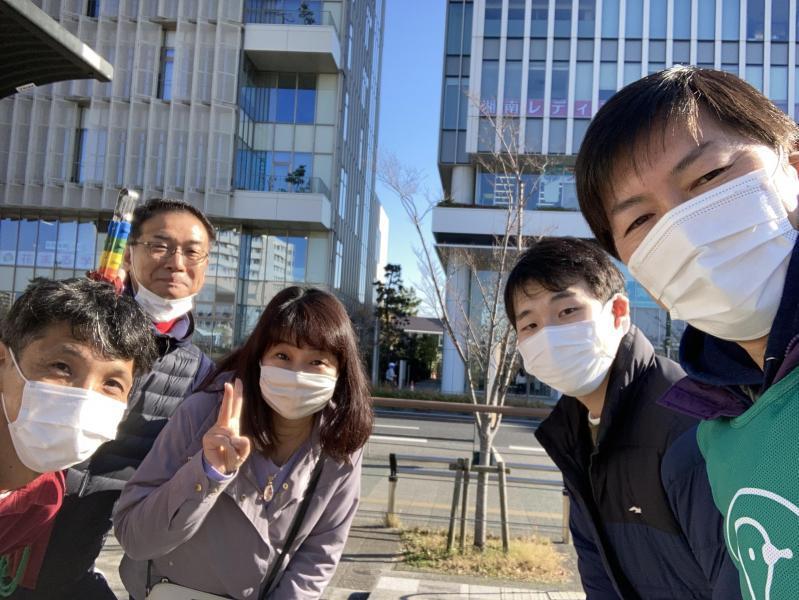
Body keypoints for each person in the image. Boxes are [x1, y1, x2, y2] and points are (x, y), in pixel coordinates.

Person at [575, 65, 799, 598]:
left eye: (708, 177)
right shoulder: (719, 427)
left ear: (792, 165)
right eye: (639, 221)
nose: (684, 224)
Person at [504, 237, 739, 599]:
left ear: (618, 313)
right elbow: (597, 571)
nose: (548, 336)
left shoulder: (685, 419)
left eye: (567, 311)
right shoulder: (574, 432)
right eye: (530, 325)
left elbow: (738, 578)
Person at [114, 286, 374, 600]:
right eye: (282, 355)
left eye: (316, 362)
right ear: (259, 357)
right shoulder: (202, 413)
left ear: (340, 370)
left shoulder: (341, 441)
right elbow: (135, 538)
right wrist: (207, 473)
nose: (296, 374)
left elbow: (319, 554)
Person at [14, 198, 217, 599]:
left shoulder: (199, 373)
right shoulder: (69, 322)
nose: (176, 262)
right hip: (12, 526)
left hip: (74, 557)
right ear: (128, 252)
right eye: (160, 245)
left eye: (192, 251)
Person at [0, 278, 157, 596]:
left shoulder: (45, 496)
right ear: (4, 361)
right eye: (61, 366)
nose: (84, 397)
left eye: (112, 384)